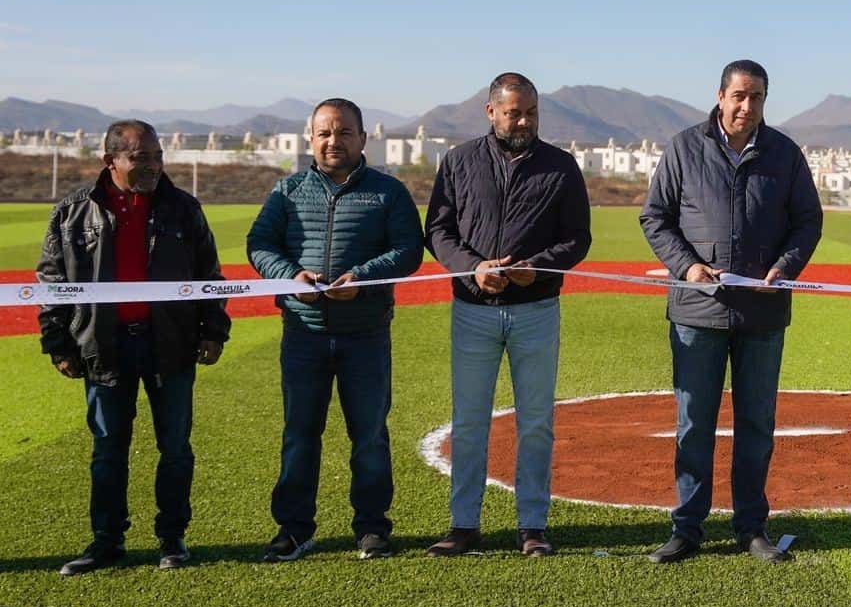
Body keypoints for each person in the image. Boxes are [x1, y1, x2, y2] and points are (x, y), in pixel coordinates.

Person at [639, 59, 822, 563]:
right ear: (720, 95)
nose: (747, 106)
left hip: (761, 314)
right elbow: (655, 217)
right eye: (739, 95)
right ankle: (687, 527)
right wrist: (687, 266)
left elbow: (807, 221)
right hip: (697, 312)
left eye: (757, 97)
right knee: (694, 422)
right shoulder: (683, 148)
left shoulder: (784, 153)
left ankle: (751, 526)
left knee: (756, 423)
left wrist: (785, 266)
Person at [38, 120, 230, 574]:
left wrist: (213, 330)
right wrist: (58, 343)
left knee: (176, 447)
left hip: (171, 344)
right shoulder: (72, 212)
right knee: (108, 448)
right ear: (111, 161)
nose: (153, 166)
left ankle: (172, 538)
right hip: (104, 347)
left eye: (157, 156)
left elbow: (211, 276)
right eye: (141, 159)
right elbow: (52, 282)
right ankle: (106, 541)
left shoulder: (183, 209)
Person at [247, 99, 424, 562]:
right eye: (325, 133)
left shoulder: (388, 192)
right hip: (302, 334)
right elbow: (259, 244)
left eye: (344, 132)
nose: (334, 141)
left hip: (365, 334)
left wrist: (362, 279)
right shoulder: (287, 191)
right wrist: (291, 277)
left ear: (363, 139)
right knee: (300, 434)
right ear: (311, 138)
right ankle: (294, 529)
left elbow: (408, 249)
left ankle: (371, 528)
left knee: (368, 434)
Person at [424, 72, 592, 557]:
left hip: (536, 311)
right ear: (491, 111)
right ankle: (464, 525)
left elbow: (577, 238)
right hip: (472, 312)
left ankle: (533, 526)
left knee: (536, 421)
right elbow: (438, 231)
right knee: (470, 420)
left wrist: (538, 269)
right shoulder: (458, 162)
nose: (523, 120)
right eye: (514, 111)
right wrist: (472, 268)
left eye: (532, 112)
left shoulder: (561, 166)